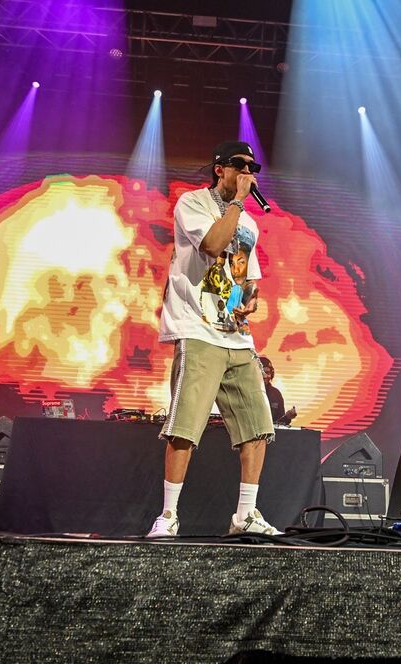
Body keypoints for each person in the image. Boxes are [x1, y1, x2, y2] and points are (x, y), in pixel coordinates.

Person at [148, 141, 279, 538]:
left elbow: (246, 276)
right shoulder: (193, 203)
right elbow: (212, 245)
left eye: (253, 167)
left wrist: (249, 299)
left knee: (257, 427)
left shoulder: (249, 224)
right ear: (219, 169)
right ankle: (168, 515)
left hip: (237, 337)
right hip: (196, 327)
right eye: (240, 165)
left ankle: (246, 515)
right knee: (186, 426)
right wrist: (238, 202)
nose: (248, 173)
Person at [258, 356, 297, 426]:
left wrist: (287, 417)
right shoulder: (246, 392)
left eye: (267, 372)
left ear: (272, 374)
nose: (265, 376)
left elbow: (279, 424)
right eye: (261, 373)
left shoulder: (276, 394)